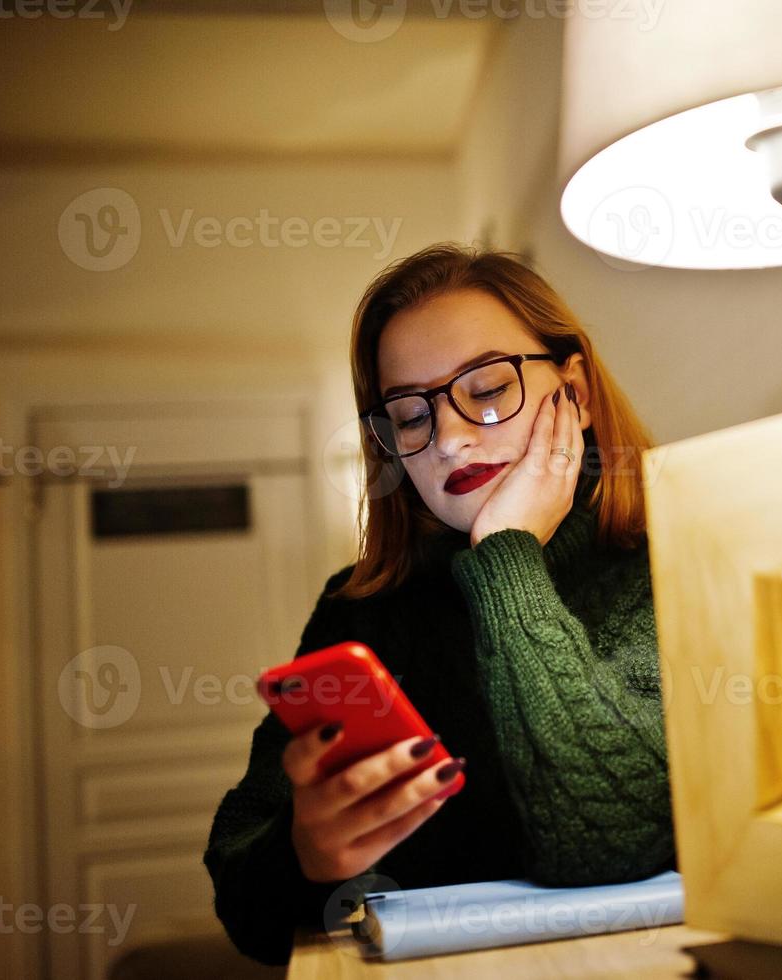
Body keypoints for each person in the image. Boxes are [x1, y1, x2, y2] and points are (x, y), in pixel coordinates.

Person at [203, 243, 675, 965]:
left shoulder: (673, 564)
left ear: (574, 394)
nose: (450, 439)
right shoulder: (361, 609)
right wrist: (303, 854)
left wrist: (507, 555)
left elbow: (607, 839)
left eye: (486, 389)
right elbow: (244, 909)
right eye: (410, 413)